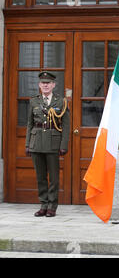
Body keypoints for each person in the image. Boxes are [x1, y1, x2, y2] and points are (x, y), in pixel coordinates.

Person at [25, 71, 70, 217]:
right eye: (43, 83)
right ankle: (43, 204)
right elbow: (29, 124)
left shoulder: (61, 101)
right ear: (39, 85)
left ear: (53, 85)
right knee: (41, 176)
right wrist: (28, 145)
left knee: (54, 177)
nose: (45, 85)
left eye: (48, 83)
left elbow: (66, 125)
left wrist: (63, 145)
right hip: (36, 142)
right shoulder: (33, 101)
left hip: (53, 142)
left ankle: (52, 206)